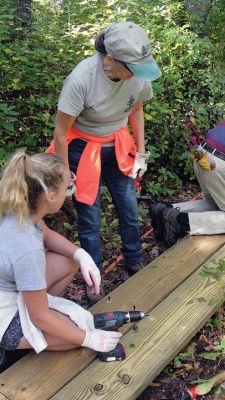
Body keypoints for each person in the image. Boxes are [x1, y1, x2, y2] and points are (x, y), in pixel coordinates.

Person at [47, 21, 161, 292]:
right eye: (132, 69)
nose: (137, 75)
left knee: (129, 208)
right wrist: (65, 175)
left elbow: (136, 111)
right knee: (90, 219)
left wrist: (141, 153)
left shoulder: (137, 77)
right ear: (110, 59)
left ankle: (134, 259)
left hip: (119, 144)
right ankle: (93, 276)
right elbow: (61, 132)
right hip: (83, 149)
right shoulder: (82, 79)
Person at [0, 150, 122, 354]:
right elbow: (41, 317)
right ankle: (15, 344)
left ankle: (38, 313)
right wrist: (88, 338)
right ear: (51, 196)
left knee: (68, 261)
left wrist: (80, 255)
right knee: (76, 332)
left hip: (11, 288)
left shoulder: (17, 206)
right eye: (68, 187)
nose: (70, 192)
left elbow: (46, 234)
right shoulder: (27, 249)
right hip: (4, 316)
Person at [149, 120, 225, 248]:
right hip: (219, 162)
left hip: (203, 153)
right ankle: (179, 221)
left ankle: (164, 210)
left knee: (215, 203)